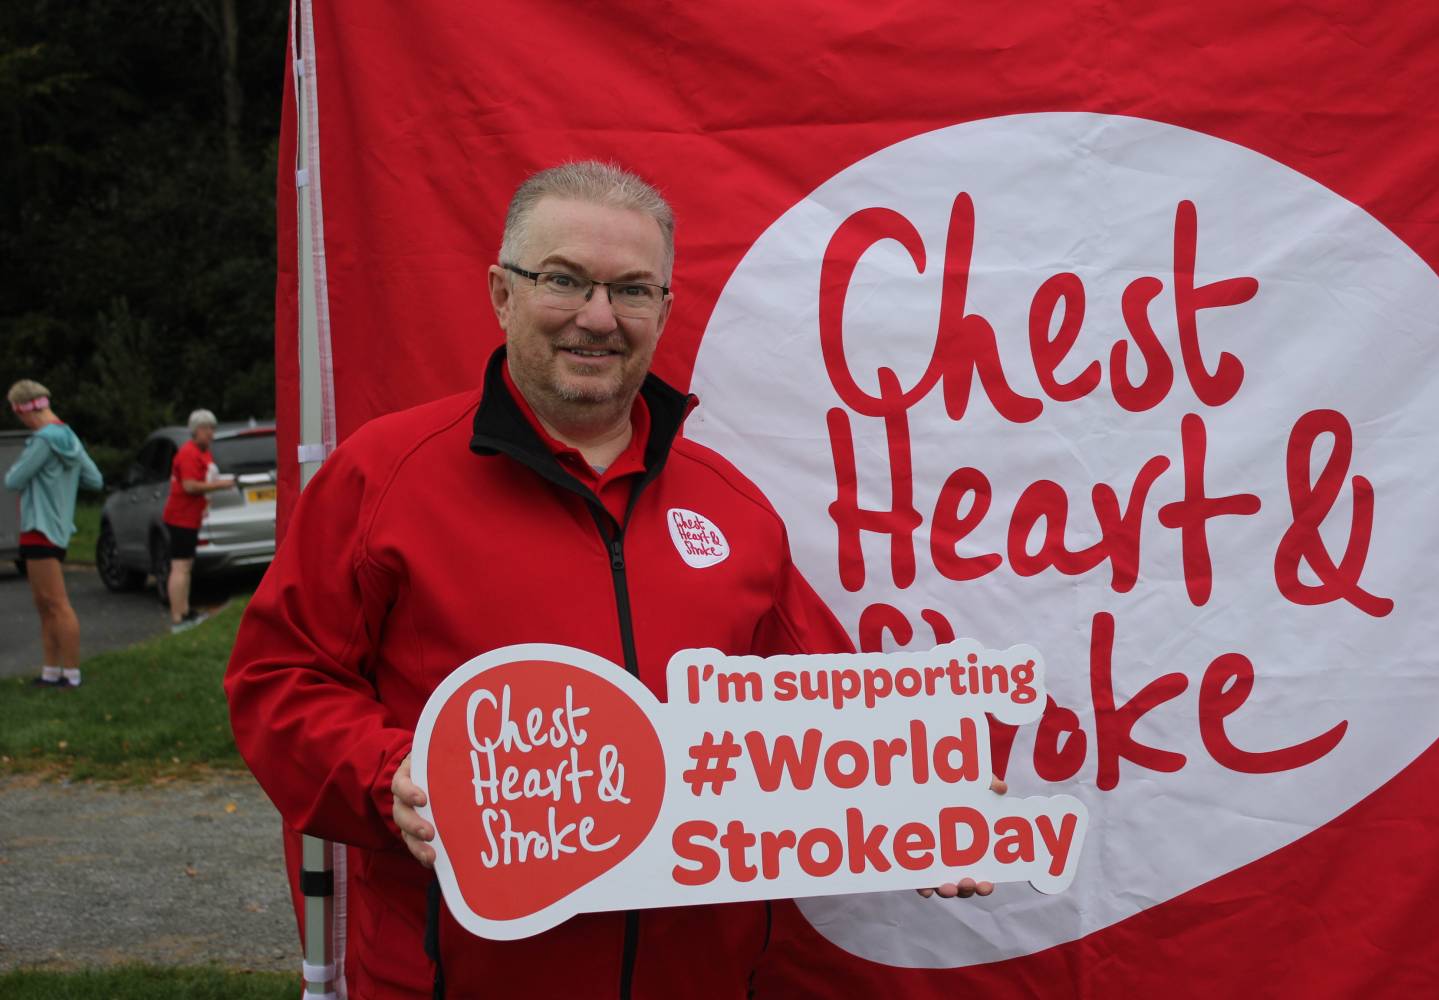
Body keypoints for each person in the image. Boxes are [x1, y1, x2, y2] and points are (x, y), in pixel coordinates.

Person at [225, 162, 999, 1000]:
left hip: (697, 979)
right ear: (502, 293)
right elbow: (279, 680)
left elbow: (823, 717)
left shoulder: (732, 508)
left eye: (632, 290)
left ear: (662, 311)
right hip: (460, 976)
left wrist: (917, 797)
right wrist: (392, 778)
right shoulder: (384, 476)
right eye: (563, 279)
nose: (598, 317)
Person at [5, 380, 103, 688]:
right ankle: (51, 671)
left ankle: (71, 674)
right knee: (45, 605)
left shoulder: (43, 440)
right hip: (58, 529)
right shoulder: (69, 437)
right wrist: (62, 484)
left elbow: (13, 480)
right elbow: (94, 479)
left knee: (56, 604)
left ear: (23, 410)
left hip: (39, 528)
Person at [162, 408, 236, 633]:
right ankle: (178, 617)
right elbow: (190, 485)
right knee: (180, 566)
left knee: (187, 566)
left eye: (213, 428)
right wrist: (221, 485)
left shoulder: (204, 453)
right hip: (180, 518)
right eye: (207, 429)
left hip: (192, 517)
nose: (211, 433)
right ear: (196, 430)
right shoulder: (188, 453)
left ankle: (186, 611)